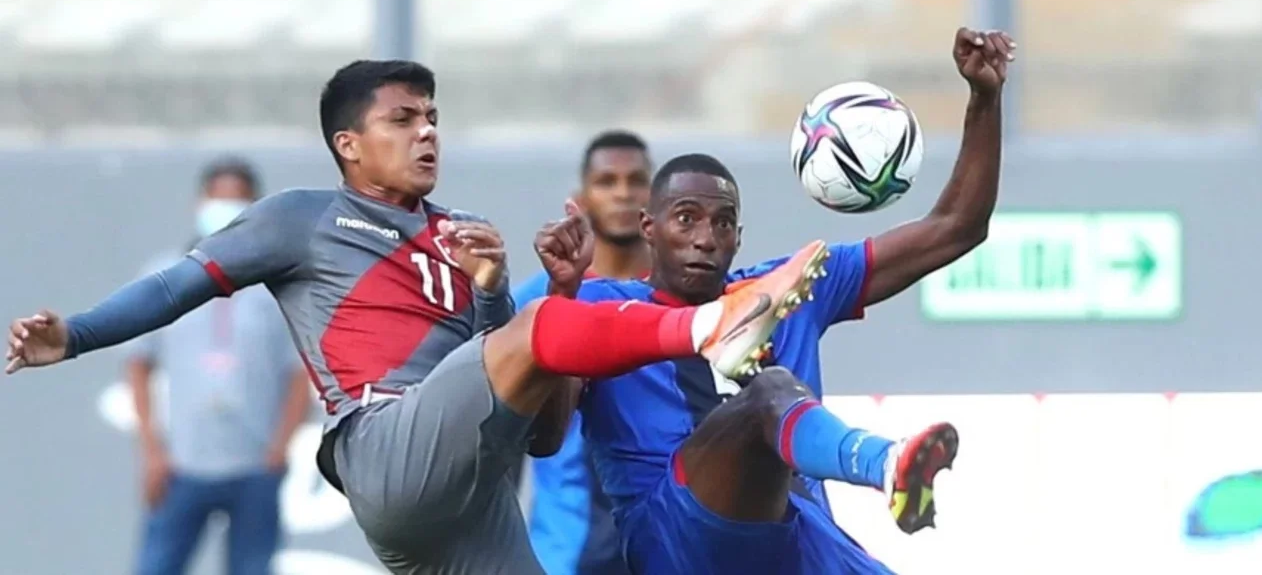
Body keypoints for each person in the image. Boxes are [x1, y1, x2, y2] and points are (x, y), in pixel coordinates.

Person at [5, 59, 826, 574]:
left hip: (464, 505)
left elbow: (535, 434)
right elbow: (175, 289)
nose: (426, 131)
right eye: (403, 119)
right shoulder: (300, 218)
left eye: (432, 116)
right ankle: (709, 326)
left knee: (533, 322)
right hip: (384, 450)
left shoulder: (460, 236)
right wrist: (72, 335)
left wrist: (504, 288)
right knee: (538, 325)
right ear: (348, 144)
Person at [559, 28, 1015, 574]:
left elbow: (956, 227)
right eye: (686, 219)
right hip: (678, 537)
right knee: (768, 391)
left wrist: (984, 99)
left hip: (799, 539)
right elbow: (541, 434)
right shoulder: (600, 307)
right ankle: (885, 462)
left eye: (722, 223)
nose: (706, 237)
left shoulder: (789, 285)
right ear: (648, 228)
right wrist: (558, 295)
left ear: (739, 236)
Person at [127, 159, 313, 575]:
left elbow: (300, 372)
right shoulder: (164, 274)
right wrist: (152, 450)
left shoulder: (277, 284)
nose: (225, 210)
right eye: (218, 199)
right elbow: (138, 363)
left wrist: (279, 448)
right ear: (200, 203)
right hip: (182, 463)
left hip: (254, 463)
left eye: (237, 201)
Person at [517, 130, 652, 574]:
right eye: (607, 181)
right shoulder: (533, 303)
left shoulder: (683, 298)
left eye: (636, 181)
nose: (623, 193)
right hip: (562, 551)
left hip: (663, 546)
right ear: (582, 197)